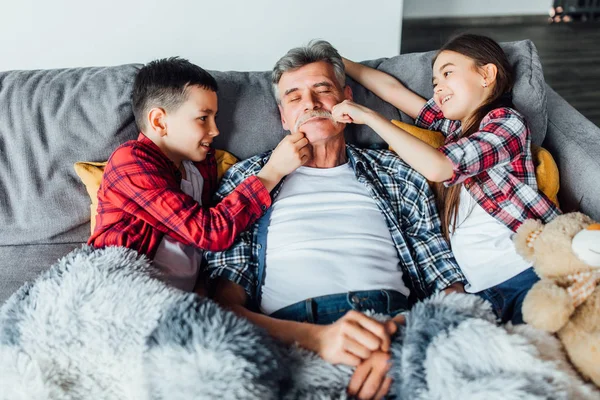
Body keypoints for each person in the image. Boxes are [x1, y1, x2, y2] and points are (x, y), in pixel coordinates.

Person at [206, 40, 465, 400]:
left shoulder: (397, 172)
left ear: (346, 97)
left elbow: (449, 287)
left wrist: (402, 339)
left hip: (394, 328)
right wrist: (316, 339)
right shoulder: (250, 179)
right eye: (294, 97)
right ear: (283, 118)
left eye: (322, 89)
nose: (310, 104)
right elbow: (221, 305)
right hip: (292, 338)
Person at [333, 34, 561, 325]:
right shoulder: (451, 128)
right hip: (482, 293)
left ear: (486, 75)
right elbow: (393, 91)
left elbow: (441, 168)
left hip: (526, 273)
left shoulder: (507, 123)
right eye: (435, 82)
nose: (438, 87)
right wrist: (338, 63)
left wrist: (369, 117)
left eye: (448, 73)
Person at [89, 57, 310, 293]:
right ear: (159, 121)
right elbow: (211, 232)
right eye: (203, 118)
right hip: (121, 290)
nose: (215, 130)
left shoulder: (203, 167)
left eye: (214, 118)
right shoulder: (130, 160)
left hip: (183, 302)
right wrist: (272, 172)